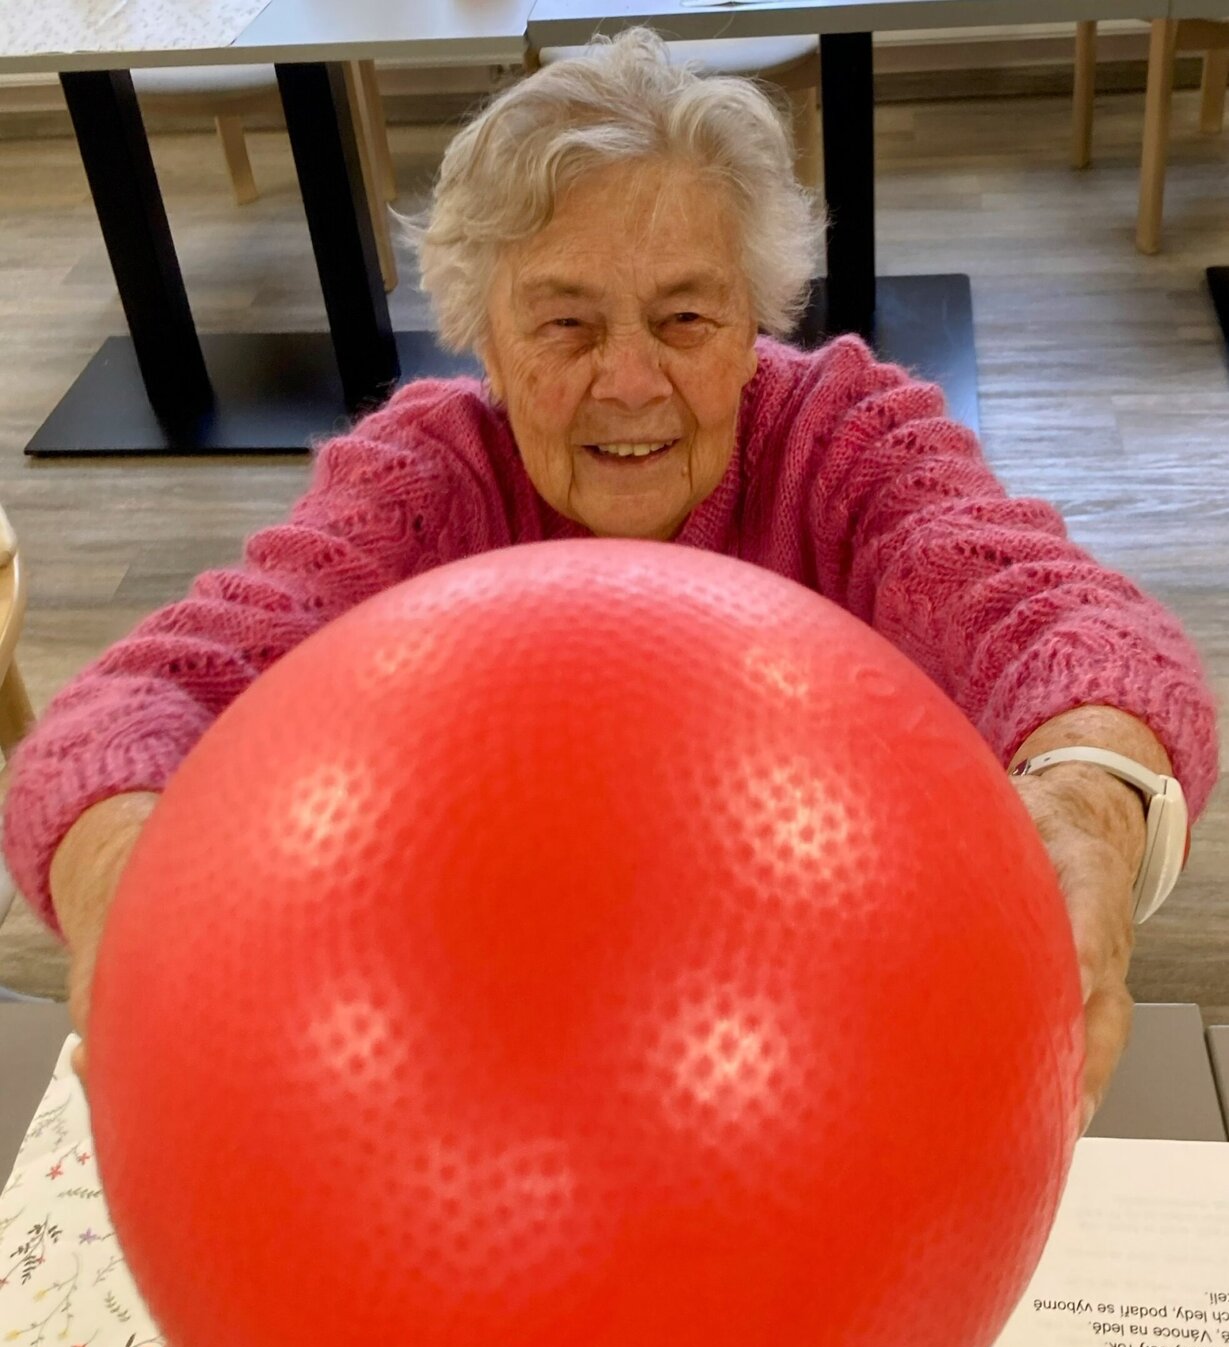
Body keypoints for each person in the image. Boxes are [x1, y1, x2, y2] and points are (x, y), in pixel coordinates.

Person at [2, 30, 1217, 1115]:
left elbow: (1065, 624)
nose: (629, 383)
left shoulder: (847, 440)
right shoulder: (427, 480)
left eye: (685, 318)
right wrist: (129, 881)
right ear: (483, 338)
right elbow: (138, 703)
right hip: (496, 1047)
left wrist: (1082, 803)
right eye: (564, 323)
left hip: (822, 1029)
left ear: (754, 322)